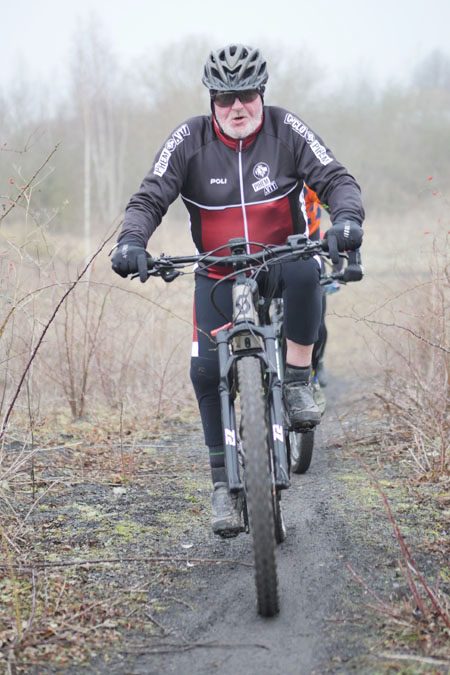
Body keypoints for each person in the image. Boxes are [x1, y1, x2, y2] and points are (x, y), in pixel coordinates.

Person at [111, 44, 365, 537]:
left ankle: (297, 381)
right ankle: (222, 486)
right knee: (205, 370)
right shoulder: (189, 139)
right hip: (218, 271)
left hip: (280, 258)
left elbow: (336, 179)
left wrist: (348, 219)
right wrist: (131, 241)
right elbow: (149, 197)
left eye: (246, 95)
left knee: (306, 269)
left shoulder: (286, 129)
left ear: (261, 94)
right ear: (212, 100)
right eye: (225, 98)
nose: (237, 107)